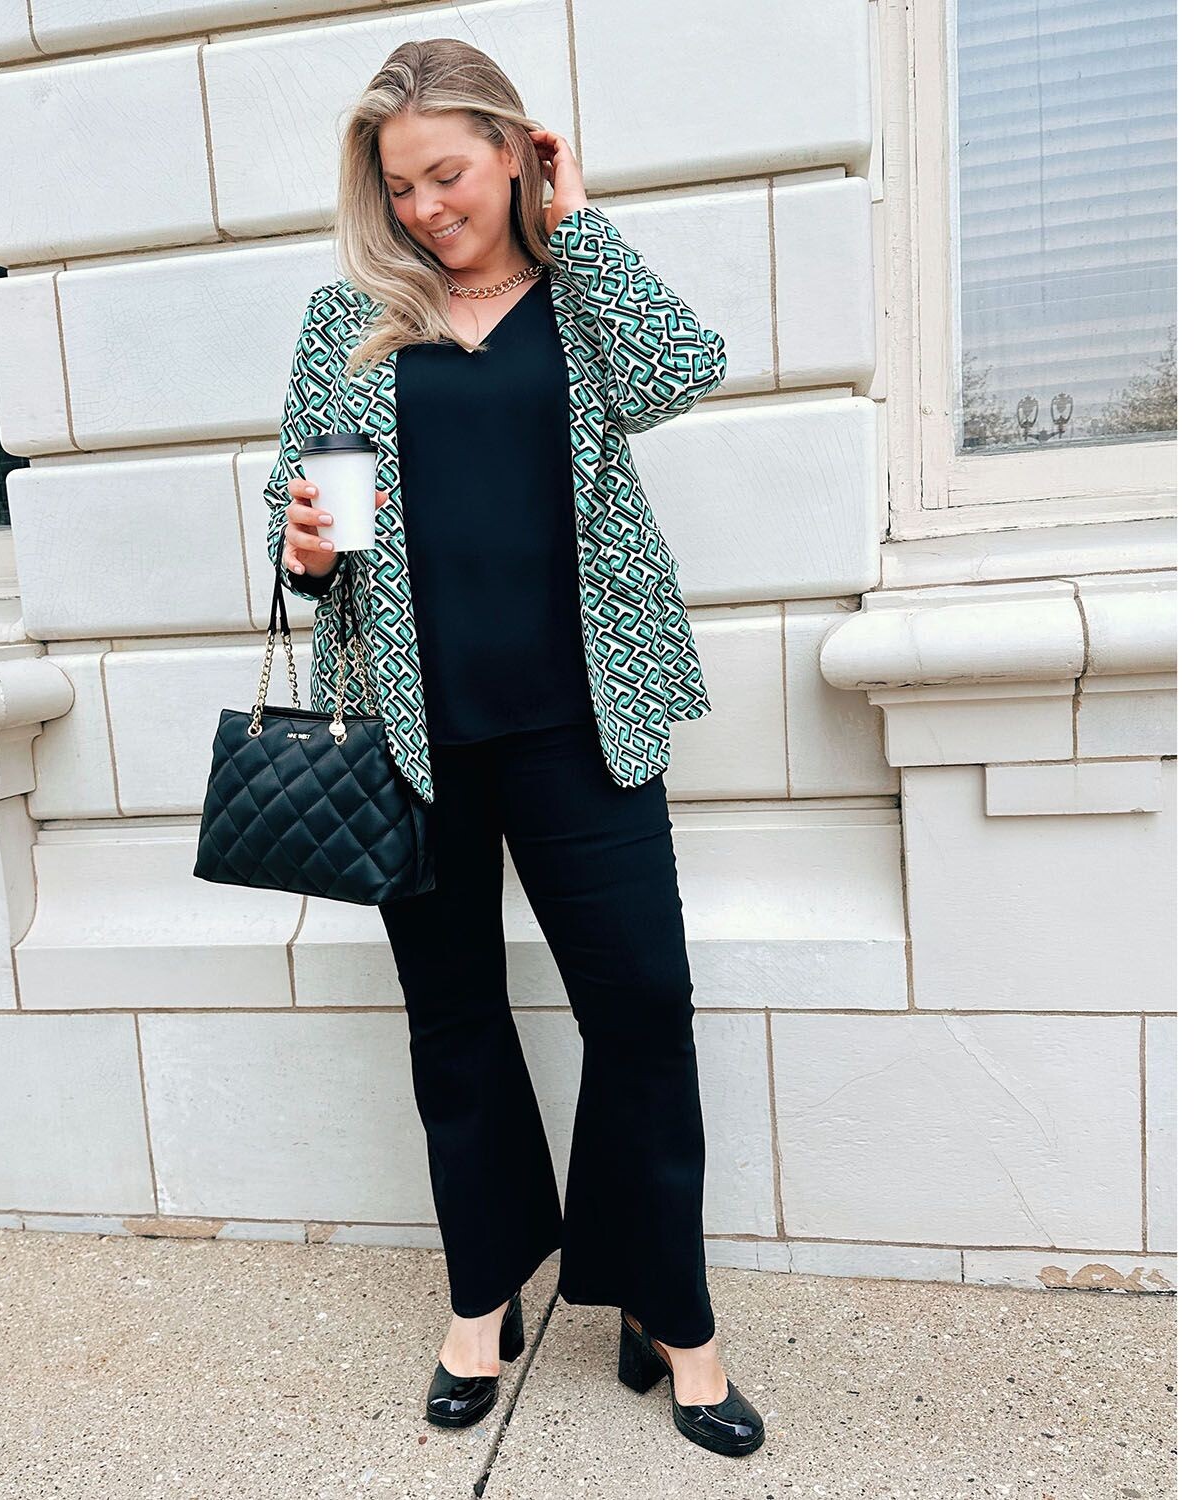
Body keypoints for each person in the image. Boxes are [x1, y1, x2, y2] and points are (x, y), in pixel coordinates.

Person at [263, 39, 764, 1460]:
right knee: (456, 1025)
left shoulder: (579, 301)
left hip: (584, 720)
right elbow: (302, 521)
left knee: (643, 1009)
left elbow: (687, 369)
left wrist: (579, 221)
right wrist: (304, 550)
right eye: (399, 186)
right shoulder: (349, 319)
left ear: (513, 151)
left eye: (448, 173)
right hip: (411, 735)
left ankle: (668, 1310)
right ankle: (482, 1297)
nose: (425, 208)